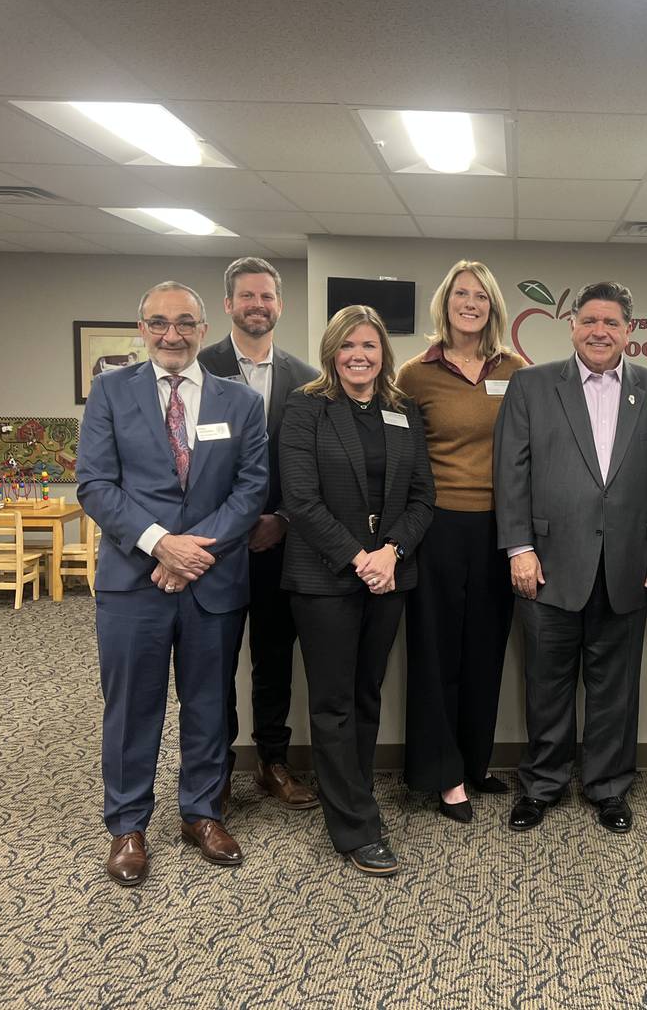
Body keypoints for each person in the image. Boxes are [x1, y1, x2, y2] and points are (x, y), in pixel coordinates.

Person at [78, 281, 269, 887]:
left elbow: (251, 489)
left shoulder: (239, 402)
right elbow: (95, 484)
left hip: (211, 582)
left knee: (210, 703)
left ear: (203, 329)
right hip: (134, 583)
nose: (172, 334)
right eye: (159, 323)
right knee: (132, 707)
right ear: (142, 329)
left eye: (185, 323)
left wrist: (192, 552)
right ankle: (128, 824)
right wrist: (160, 543)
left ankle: (202, 812)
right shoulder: (111, 391)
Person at [493, 281, 647, 835]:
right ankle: (543, 784)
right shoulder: (531, 385)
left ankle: (607, 786)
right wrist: (520, 548)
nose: (600, 331)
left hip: (629, 564)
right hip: (547, 563)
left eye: (612, 322)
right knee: (547, 681)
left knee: (615, 687)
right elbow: (511, 472)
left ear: (629, 330)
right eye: (589, 321)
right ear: (572, 325)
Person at [278, 305, 434, 877]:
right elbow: (299, 497)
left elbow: (422, 497)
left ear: (383, 354)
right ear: (332, 352)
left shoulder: (403, 410)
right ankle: (353, 828)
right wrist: (358, 556)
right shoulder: (307, 407)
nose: (359, 356)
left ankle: (356, 796)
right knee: (333, 702)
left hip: (389, 575)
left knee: (368, 694)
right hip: (325, 578)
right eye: (348, 346)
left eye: (369, 346)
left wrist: (391, 552)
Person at [397, 260, 527, 823]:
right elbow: (397, 457)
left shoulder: (516, 369)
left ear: (493, 306)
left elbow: (530, 450)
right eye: (460, 294)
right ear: (445, 303)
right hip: (437, 525)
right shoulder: (414, 374)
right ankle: (442, 774)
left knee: (485, 650)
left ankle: (475, 763)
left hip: (500, 529)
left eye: (481, 295)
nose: (470, 303)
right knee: (436, 652)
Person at [198, 256, 320, 812]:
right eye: (246, 297)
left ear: (280, 305)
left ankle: (273, 762)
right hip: (213, 548)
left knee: (274, 659)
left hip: (279, 544)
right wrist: (227, 528)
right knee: (214, 662)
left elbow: (315, 464)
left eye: (266, 297)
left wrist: (284, 520)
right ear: (228, 304)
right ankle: (215, 769)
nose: (257, 306)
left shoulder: (306, 378)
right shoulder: (198, 369)